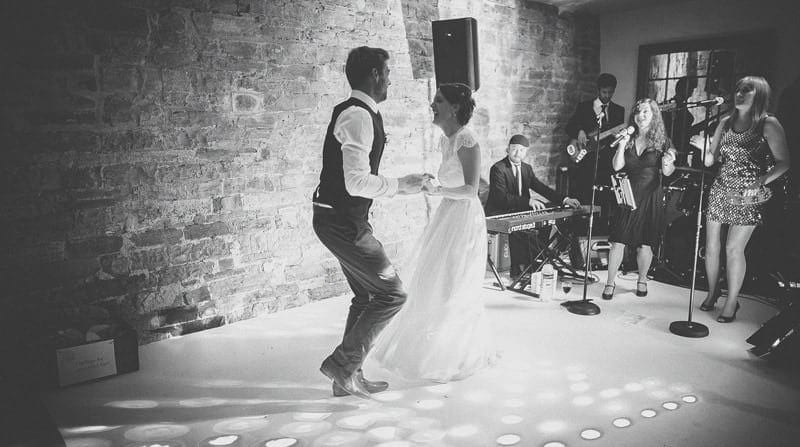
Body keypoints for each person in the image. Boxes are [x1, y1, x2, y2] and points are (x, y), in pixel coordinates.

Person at [312, 46, 430, 398]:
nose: (390, 80)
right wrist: (401, 185)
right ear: (375, 75)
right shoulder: (358, 115)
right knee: (393, 294)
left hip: (340, 219)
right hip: (342, 222)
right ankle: (342, 366)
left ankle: (346, 379)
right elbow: (355, 182)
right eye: (388, 73)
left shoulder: (361, 113)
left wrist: (401, 186)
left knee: (366, 296)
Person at [369, 83, 497, 382]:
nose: (432, 105)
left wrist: (437, 190)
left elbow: (472, 189)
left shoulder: (467, 140)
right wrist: (432, 185)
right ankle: (433, 348)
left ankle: (459, 354)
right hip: (447, 216)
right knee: (435, 279)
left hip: (465, 219)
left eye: (438, 101)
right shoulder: (446, 141)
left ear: (453, 108)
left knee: (456, 282)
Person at [699, 76, 790, 322]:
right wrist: (704, 148)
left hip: (749, 193)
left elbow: (784, 162)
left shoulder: (767, 124)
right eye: (737, 89)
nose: (739, 94)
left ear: (758, 95)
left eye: (746, 90)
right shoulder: (725, 122)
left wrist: (759, 182)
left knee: (733, 248)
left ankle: (731, 302)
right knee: (711, 247)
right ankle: (711, 292)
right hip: (721, 187)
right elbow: (712, 159)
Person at [602, 98, 677, 300]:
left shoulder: (663, 142)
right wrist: (621, 146)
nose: (640, 115)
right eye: (637, 112)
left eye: (645, 112)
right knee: (618, 240)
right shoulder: (629, 137)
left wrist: (668, 162)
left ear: (653, 116)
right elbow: (617, 166)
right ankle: (610, 282)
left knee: (646, 242)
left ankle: (642, 280)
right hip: (628, 193)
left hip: (651, 194)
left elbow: (668, 172)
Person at [485, 134, 582, 277]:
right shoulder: (498, 168)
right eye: (514, 149)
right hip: (500, 211)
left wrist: (565, 199)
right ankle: (516, 269)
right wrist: (528, 202)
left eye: (522, 150)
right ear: (507, 149)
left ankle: (535, 261)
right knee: (518, 230)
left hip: (519, 209)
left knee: (545, 218)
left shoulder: (526, 169)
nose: (518, 153)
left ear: (526, 152)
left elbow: (542, 188)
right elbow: (501, 198)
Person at [565, 73, 626, 234]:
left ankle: (599, 238)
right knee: (583, 202)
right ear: (598, 90)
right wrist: (579, 131)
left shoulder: (619, 111)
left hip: (606, 165)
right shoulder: (584, 107)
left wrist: (617, 137)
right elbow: (569, 127)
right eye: (604, 92)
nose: (607, 96)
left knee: (604, 204)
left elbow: (619, 139)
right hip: (585, 164)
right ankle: (579, 238)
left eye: (610, 92)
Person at [662, 77, 699, 166]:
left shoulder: (683, 105)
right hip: (674, 146)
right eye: (690, 89)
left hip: (683, 146)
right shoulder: (672, 105)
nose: (691, 93)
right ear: (682, 89)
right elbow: (676, 129)